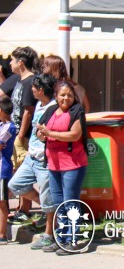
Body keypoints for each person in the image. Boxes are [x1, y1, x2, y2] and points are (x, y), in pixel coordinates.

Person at [35, 80, 88, 255]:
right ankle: (61, 239)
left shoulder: (77, 111)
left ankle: (72, 240)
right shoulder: (51, 110)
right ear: (56, 96)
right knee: (58, 203)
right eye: (62, 95)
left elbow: (75, 135)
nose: (66, 98)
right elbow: (40, 133)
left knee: (70, 202)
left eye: (69, 95)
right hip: (54, 164)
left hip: (73, 164)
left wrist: (50, 133)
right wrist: (41, 134)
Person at [8, 75, 58, 250]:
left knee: (48, 198)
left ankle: (49, 234)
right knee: (16, 185)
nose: (32, 90)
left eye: (34, 88)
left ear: (41, 90)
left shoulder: (53, 108)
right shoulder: (39, 104)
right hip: (31, 157)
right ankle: (46, 209)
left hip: (44, 160)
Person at [8, 46, 37, 220]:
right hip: (17, 132)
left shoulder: (29, 81)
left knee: (22, 171)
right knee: (17, 169)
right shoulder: (19, 80)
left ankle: (25, 210)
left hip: (24, 135)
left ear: (20, 63)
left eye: (12, 60)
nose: (9, 64)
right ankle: (21, 208)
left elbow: (28, 111)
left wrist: (20, 136)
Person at [0, 97, 16, 244]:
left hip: (2, 169)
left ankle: (2, 235)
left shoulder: (9, 127)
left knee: (2, 202)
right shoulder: (2, 125)